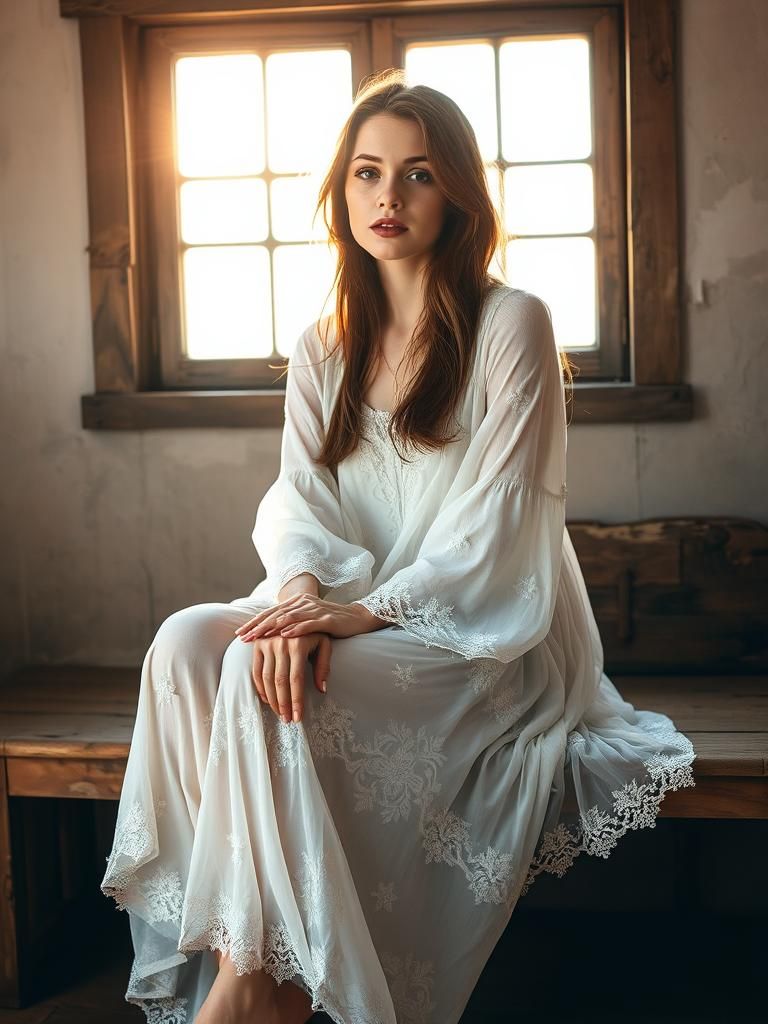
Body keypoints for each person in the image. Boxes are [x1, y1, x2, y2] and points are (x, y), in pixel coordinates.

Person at [100, 68, 696, 1024]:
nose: (389, 197)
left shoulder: (514, 324)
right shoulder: (324, 343)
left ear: (456, 192)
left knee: (264, 700)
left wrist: (362, 612)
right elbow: (298, 501)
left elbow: (500, 520)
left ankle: (261, 983)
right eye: (368, 173)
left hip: (479, 627)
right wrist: (302, 598)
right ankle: (248, 946)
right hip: (349, 604)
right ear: (342, 193)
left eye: (417, 175)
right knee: (183, 642)